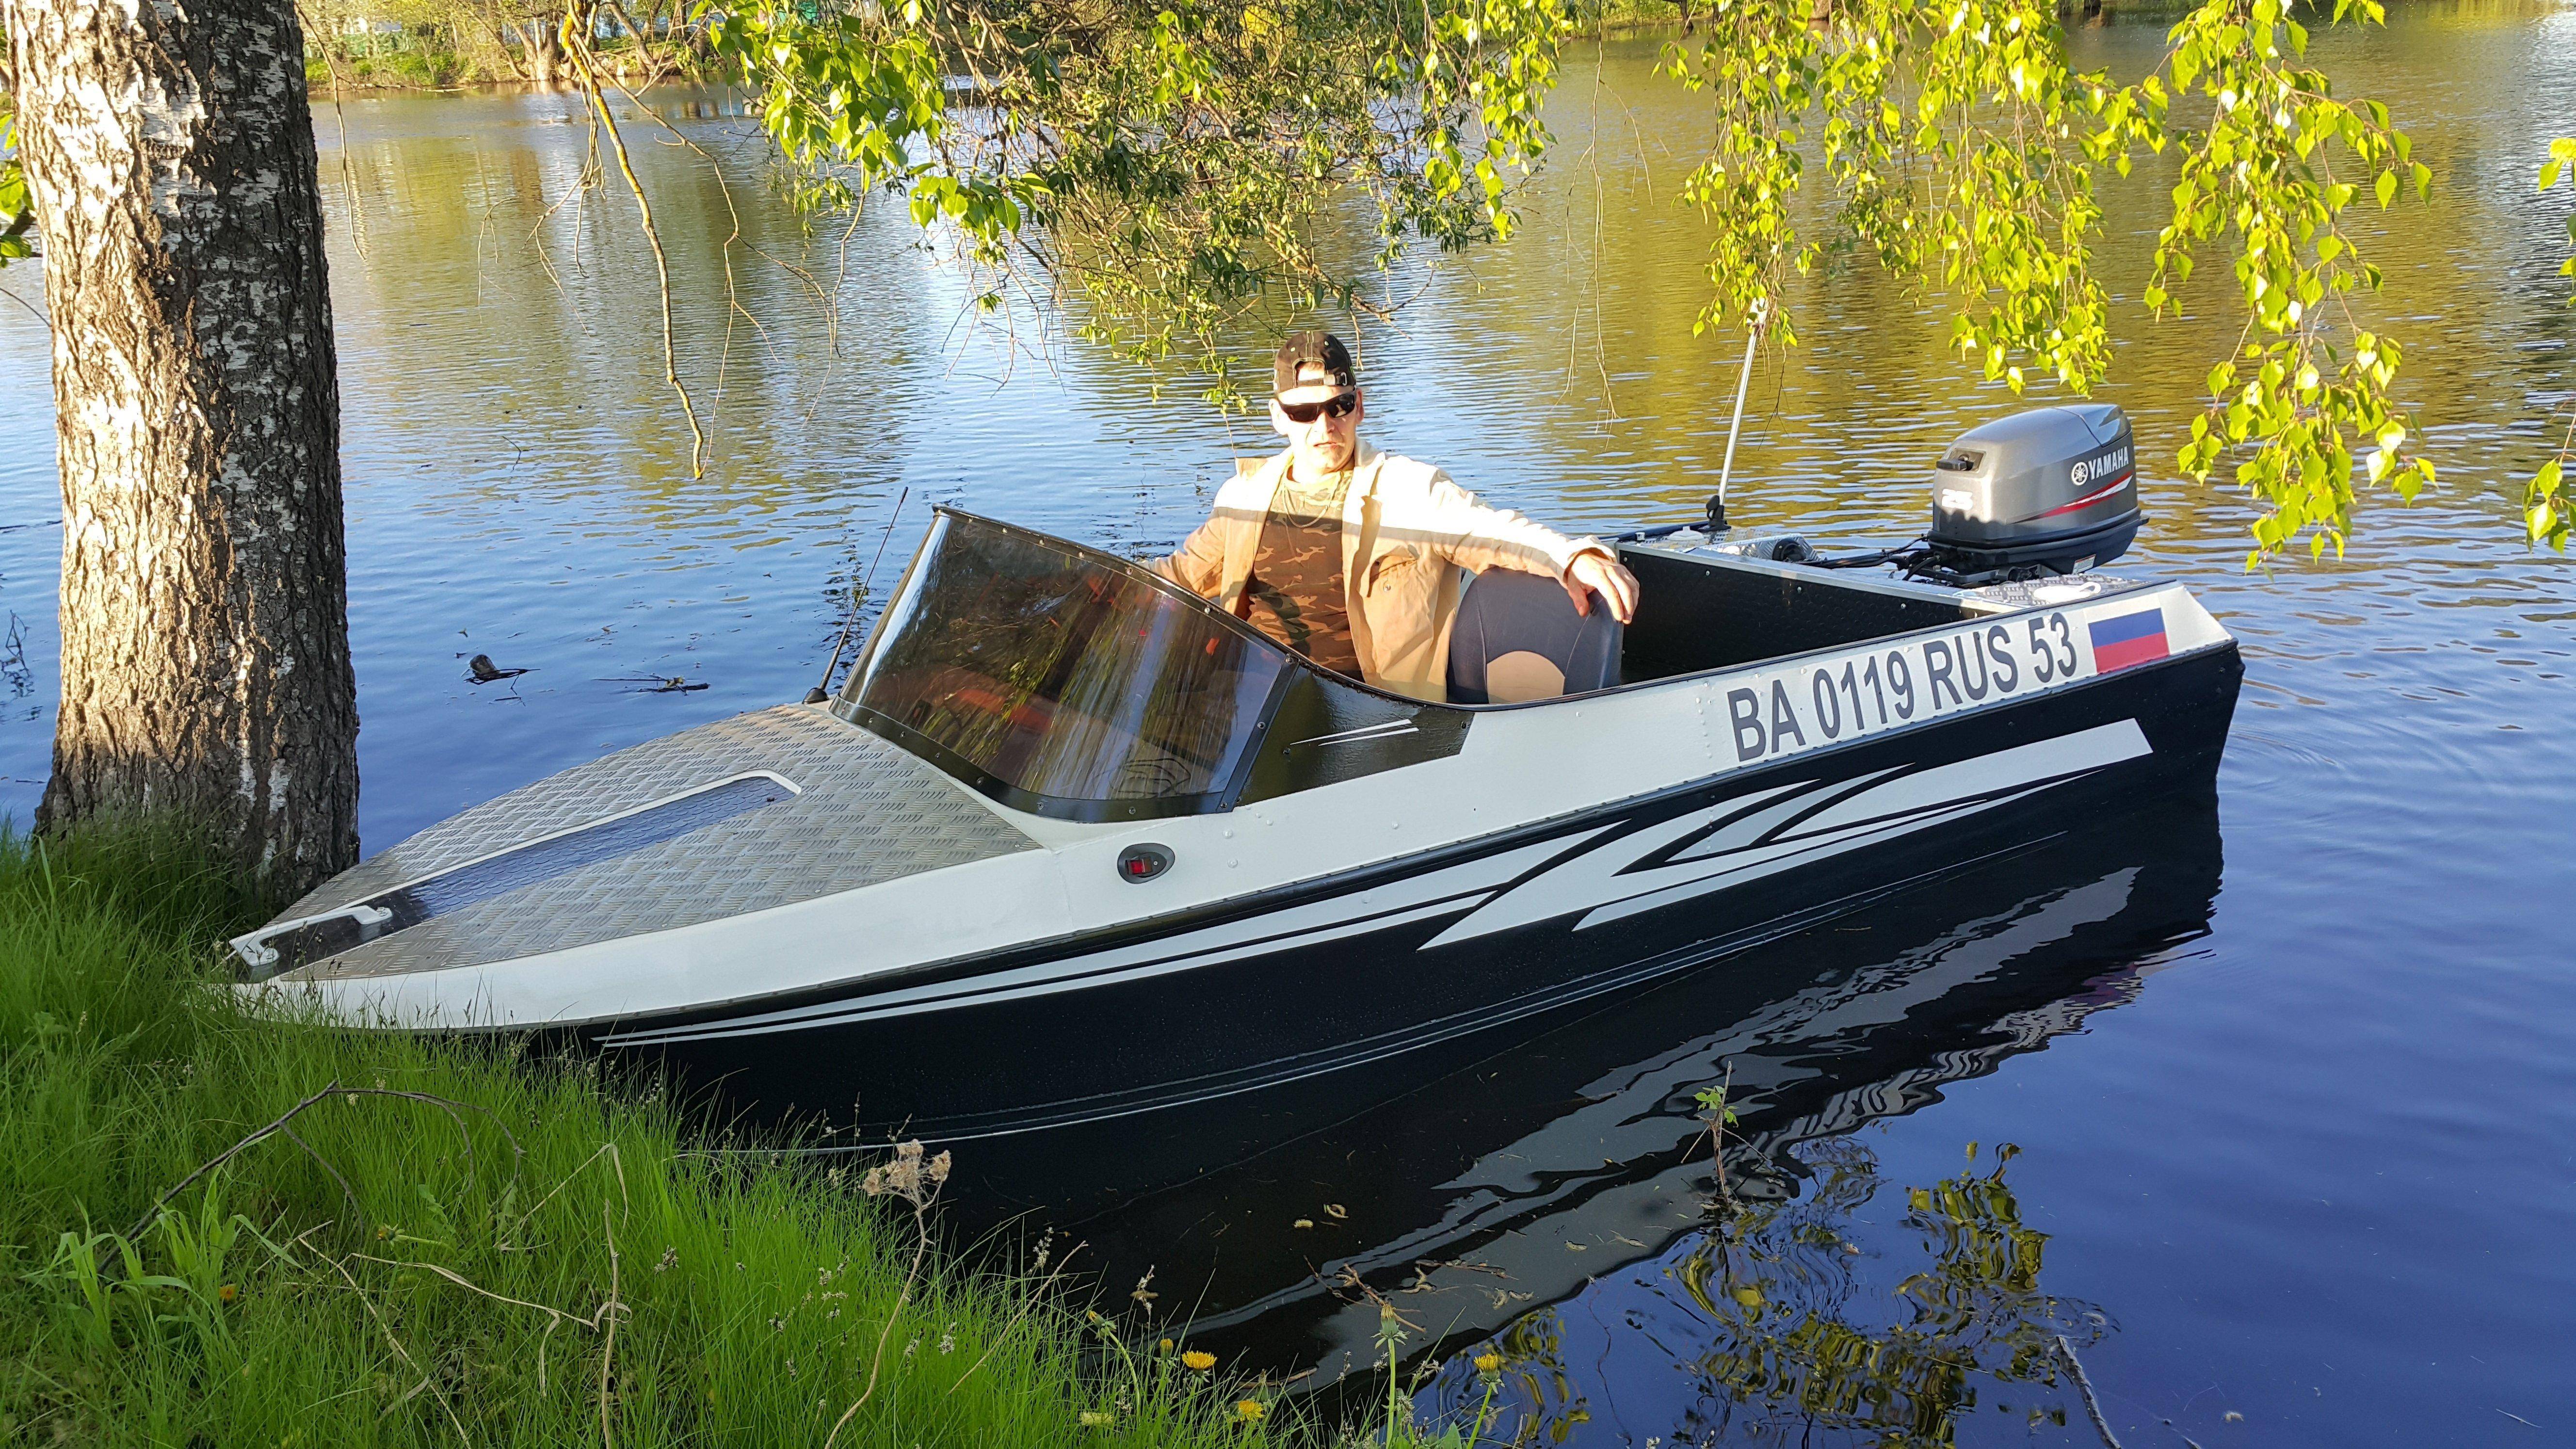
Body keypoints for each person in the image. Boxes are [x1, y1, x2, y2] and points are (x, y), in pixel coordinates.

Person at [1151, 332, 1640, 703]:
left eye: (1338, 407)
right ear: (1278, 417)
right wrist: (1091, 586)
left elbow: (1494, 532)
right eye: (1305, 414)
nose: (1325, 426)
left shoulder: (1409, 489)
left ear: (1358, 406)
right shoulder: (1244, 496)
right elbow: (1176, 579)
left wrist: (1572, 557)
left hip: (1361, 716)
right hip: (1241, 708)